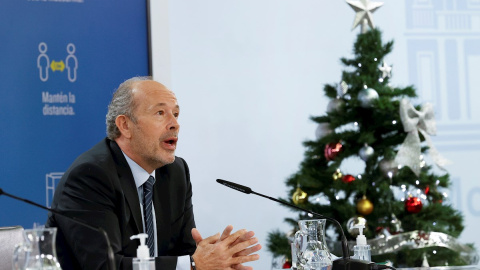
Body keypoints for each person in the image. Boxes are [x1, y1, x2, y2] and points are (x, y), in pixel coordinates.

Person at [46, 76, 262, 270]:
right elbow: (105, 266)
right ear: (125, 125)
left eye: (176, 114)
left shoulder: (175, 172)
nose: (175, 124)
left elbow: (184, 254)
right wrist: (195, 264)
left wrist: (214, 263)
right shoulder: (91, 176)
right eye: (160, 113)